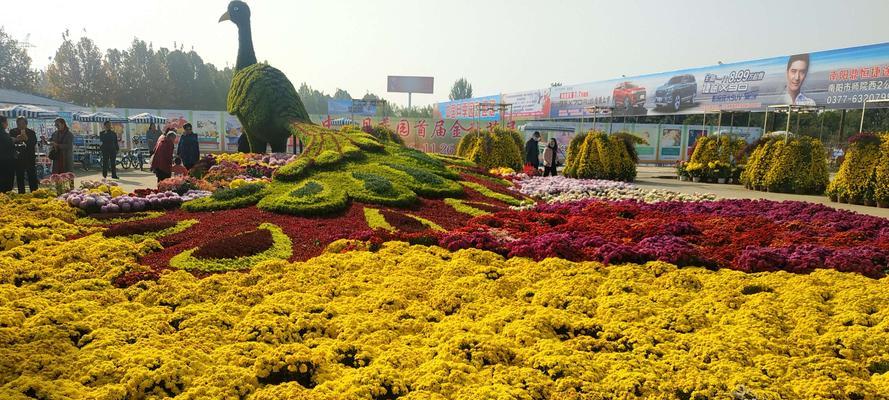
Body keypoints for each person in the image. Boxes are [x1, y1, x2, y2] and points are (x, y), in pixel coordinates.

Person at [11, 117, 38, 193]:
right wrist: (16, 140)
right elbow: (10, 144)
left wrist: (27, 140)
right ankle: (21, 194)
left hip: (30, 158)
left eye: (23, 123)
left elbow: (33, 144)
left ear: (26, 124)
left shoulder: (31, 132)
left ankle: (35, 193)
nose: (21, 125)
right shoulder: (13, 131)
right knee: (20, 177)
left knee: (32, 176)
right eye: (19, 124)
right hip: (18, 158)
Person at [0, 117, 15, 192]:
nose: (7, 124)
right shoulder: (3, 133)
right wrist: (14, 140)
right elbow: (8, 144)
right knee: (6, 183)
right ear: (3, 123)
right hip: (6, 161)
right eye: (6, 122)